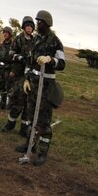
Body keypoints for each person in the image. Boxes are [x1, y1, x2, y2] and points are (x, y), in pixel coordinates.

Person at [15, 10, 65, 165]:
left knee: (43, 121)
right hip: (33, 85)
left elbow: (62, 64)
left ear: (47, 23)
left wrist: (51, 60)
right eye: (37, 21)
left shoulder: (55, 42)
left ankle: (42, 151)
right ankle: (30, 145)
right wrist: (27, 79)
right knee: (31, 117)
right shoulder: (35, 40)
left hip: (46, 86)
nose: (37, 24)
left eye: (40, 22)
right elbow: (30, 62)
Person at [2, 16, 36, 134]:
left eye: (31, 26)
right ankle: (10, 124)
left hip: (31, 76)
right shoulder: (18, 39)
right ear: (23, 27)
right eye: (27, 26)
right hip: (19, 74)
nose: (29, 28)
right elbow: (10, 53)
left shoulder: (35, 40)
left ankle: (24, 128)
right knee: (18, 100)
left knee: (28, 102)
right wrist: (19, 57)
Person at [0, 26, 14, 109]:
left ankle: (10, 104)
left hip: (9, 69)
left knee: (9, 87)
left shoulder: (13, 44)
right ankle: (2, 103)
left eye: (6, 32)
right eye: (4, 32)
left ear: (10, 34)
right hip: (2, 69)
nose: (5, 34)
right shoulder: (3, 44)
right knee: (2, 87)